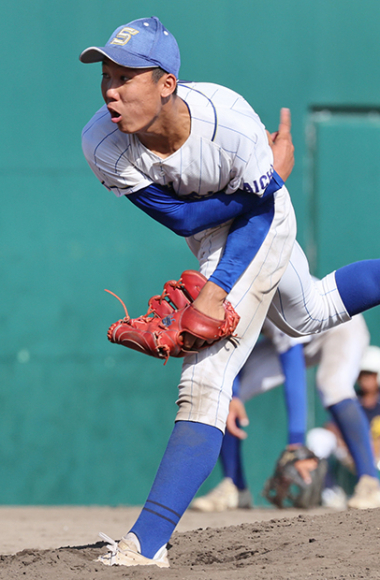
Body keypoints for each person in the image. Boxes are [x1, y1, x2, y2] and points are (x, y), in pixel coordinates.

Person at [80, 16, 380, 567]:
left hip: (261, 221)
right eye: (105, 75)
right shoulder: (102, 141)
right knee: (309, 313)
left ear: (167, 83)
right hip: (216, 226)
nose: (110, 91)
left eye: (126, 77)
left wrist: (219, 288)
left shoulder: (231, 121)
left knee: (206, 377)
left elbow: (257, 211)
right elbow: (182, 218)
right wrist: (273, 177)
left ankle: (145, 545)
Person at [191, 314, 380, 512]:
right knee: (223, 394)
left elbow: (294, 369)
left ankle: (369, 483)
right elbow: (229, 358)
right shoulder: (220, 303)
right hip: (292, 336)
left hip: (337, 325)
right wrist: (234, 394)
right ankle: (235, 487)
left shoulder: (267, 291)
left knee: (333, 385)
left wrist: (296, 446)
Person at [307, 344, 380, 509]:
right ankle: (331, 493)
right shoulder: (351, 401)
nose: (365, 378)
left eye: (370, 374)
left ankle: (373, 492)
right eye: (362, 374)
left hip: (377, 455)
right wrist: (345, 442)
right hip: (350, 452)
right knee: (318, 437)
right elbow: (331, 426)